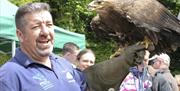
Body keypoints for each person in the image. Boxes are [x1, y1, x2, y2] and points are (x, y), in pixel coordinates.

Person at [0, 2, 84, 91]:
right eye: (36, 26)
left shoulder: (63, 63)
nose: (45, 32)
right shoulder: (9, 75)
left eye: (49, 25)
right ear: (20, 35)